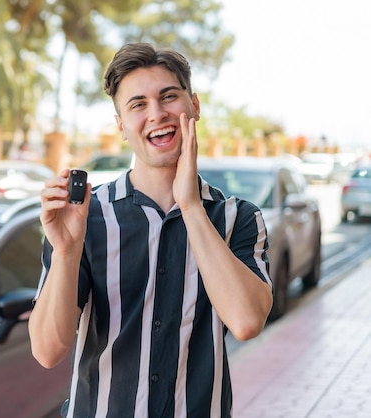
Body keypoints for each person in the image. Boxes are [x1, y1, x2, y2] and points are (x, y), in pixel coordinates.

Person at [28, 43, 273, 418]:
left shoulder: (237, 218)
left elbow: (246, 322)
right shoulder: (84, 218)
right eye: (138, 104)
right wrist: (65, 250)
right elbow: (47, 350)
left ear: (195, 106)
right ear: (121, 126)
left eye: (168, 97)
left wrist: (190, 207)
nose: (157, 114)